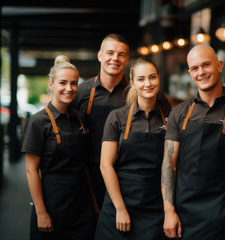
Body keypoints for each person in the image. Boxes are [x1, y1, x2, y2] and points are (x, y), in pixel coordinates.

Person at [161, 44, 225, 239]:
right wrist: (169, 211)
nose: (201, 72)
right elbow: (169, 164)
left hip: (221, 211)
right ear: (190, 72)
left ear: (219, 65)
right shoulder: (180, 113)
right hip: (182, 213)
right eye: (195, 68)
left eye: (206, 65)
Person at [72, 33, 171, 209]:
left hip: (128, 178)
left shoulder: (142, 90)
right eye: (110, 53)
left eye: (121, 54)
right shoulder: (81, 92)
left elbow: (167, 128)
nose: (115, 59)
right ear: (100, 56)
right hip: (88, 174)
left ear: (127, 60)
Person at [94, 57, 170, 239]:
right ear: (133, 83)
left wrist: (169, 210)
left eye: (152, 77)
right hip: (120, 203)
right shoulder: (117, 117)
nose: (148, 83)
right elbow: (105, 165)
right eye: (141, 79)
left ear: (159, 78)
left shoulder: (170, 118)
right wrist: (120, 209)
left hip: (155, 207)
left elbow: (172, 166)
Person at [22, 55, 96, 239]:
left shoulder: (79, 118)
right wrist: (41, 213)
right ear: (51, 84)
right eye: (63, 83)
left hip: (82, 206)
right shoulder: (38, 122)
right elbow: (31, 171)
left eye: (74, 83)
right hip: (52, 205)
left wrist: (94, 202)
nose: (69, 89)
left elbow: (84, 165)